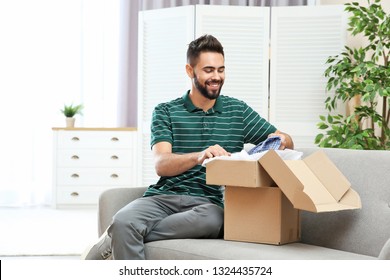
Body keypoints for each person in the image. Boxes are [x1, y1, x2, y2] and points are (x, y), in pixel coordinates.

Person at [82, 34, 294, 260]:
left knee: (215, 220)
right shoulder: (165, 111)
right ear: (190, 71)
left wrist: (282, 141)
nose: (216, 77)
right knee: (124, 221)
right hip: (162, 198)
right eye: (209, 70)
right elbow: (161, 165)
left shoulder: (237, 111)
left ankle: (117, 236)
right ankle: (122, 231)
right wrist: (199, 156)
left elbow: (285, 139)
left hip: (209, 204)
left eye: (221, 70)